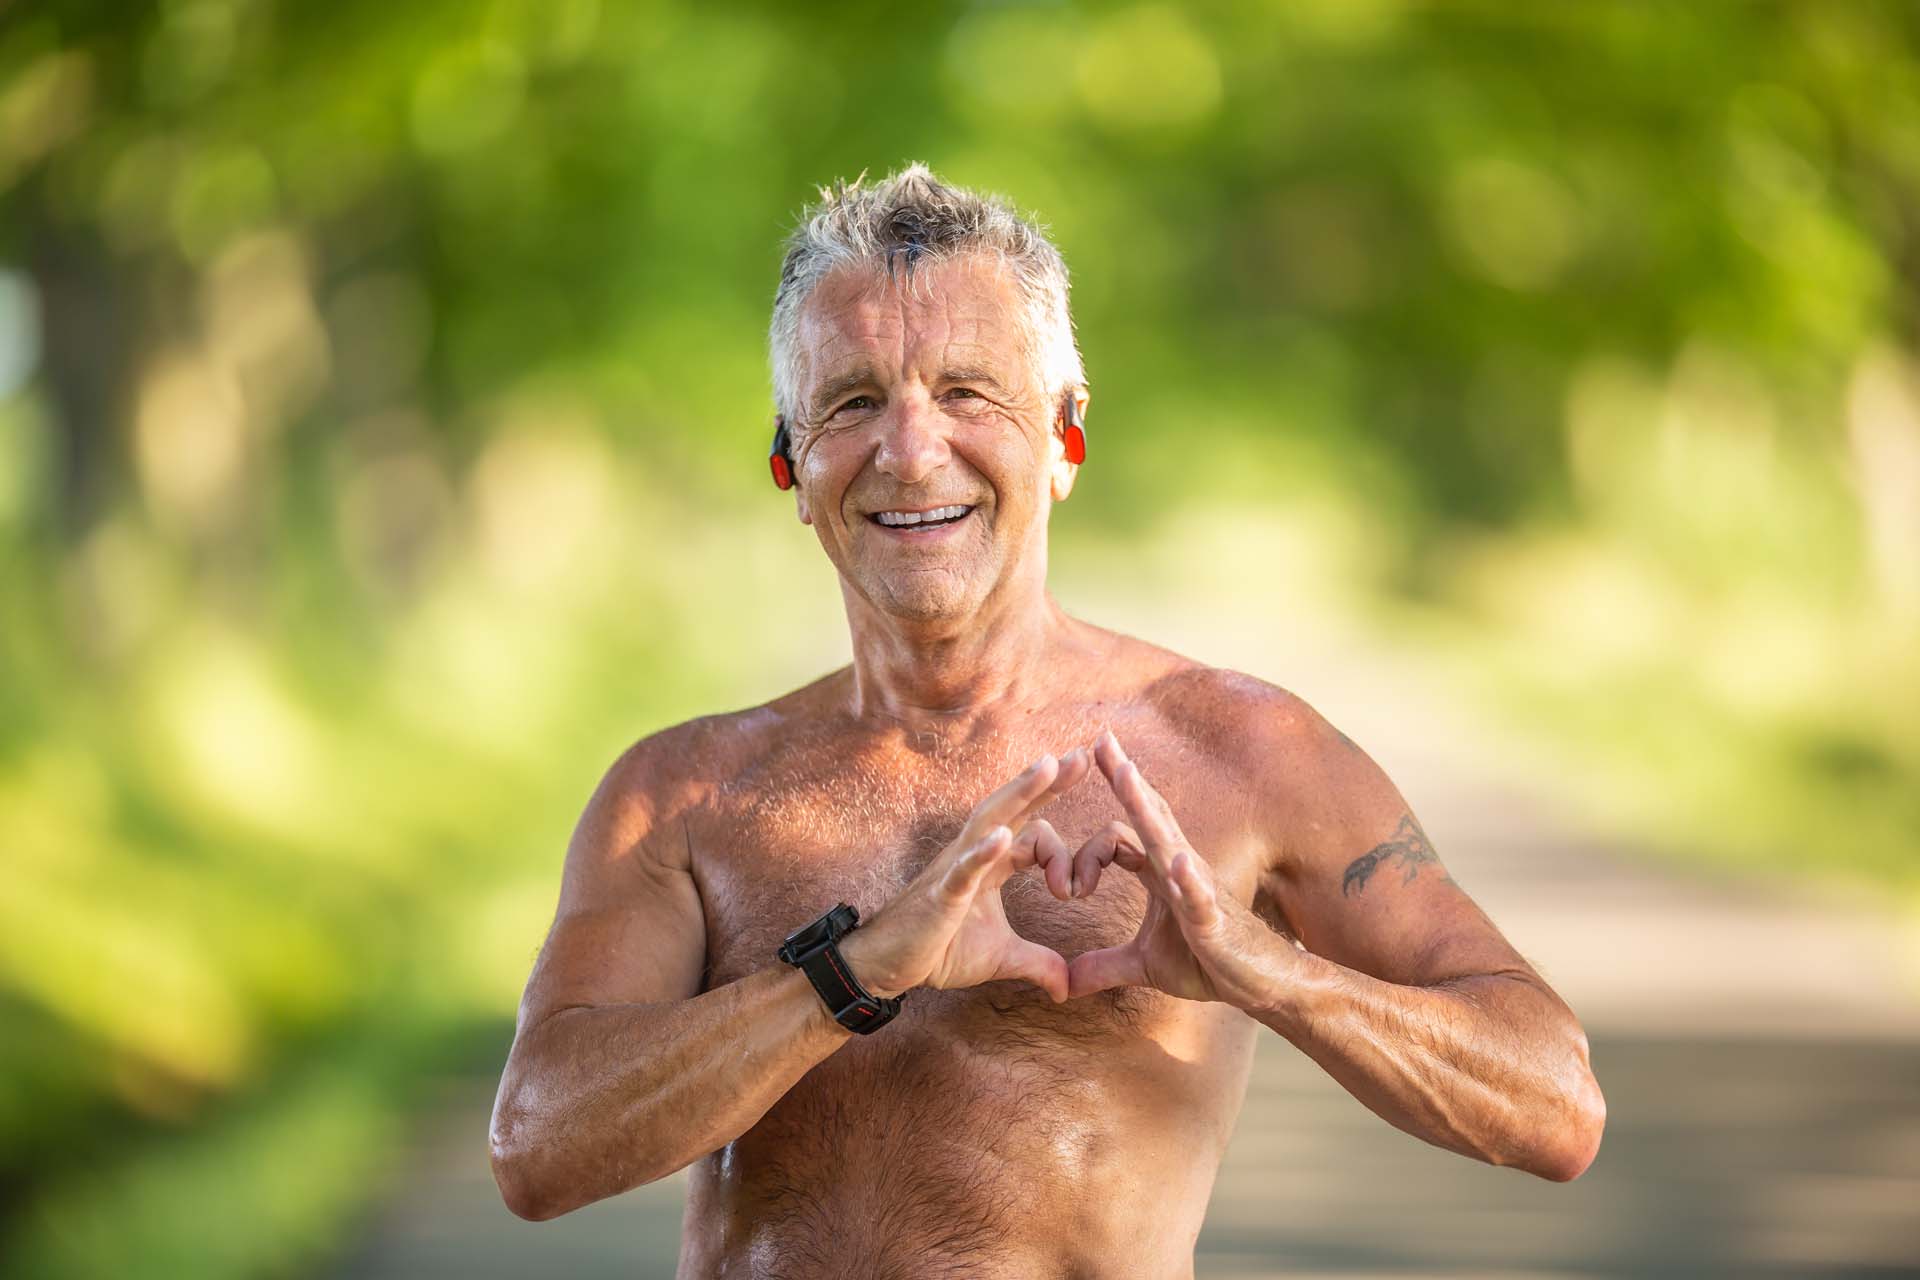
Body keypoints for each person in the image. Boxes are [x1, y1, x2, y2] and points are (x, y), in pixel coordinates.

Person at [487, 162, 1605, 1275]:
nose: (912, 450)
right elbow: (536, 1147)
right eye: (854, 400)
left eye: (968, 392)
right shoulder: (682, 794)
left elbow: (1553, 1103)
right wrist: (854, 972)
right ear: (791, 458)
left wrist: (1266, 969)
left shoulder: (1244, 752)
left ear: (1064, 439)